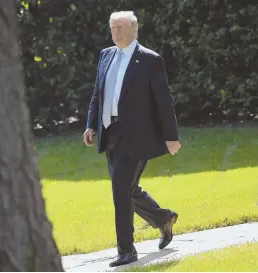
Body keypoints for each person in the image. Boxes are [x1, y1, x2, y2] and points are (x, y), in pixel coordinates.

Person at [83, 11, 181, 267]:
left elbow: (163, 102)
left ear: (135, 30)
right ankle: (163, 219)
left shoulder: (149, 60)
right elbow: (98, 93)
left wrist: (171, 137)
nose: (116, 32)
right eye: (113, 27)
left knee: (120, 192)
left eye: (121, 27)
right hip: (110, 134)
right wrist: (90, 125)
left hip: (136, 137)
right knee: (128, 189)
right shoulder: (106, 55)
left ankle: (126, 251)